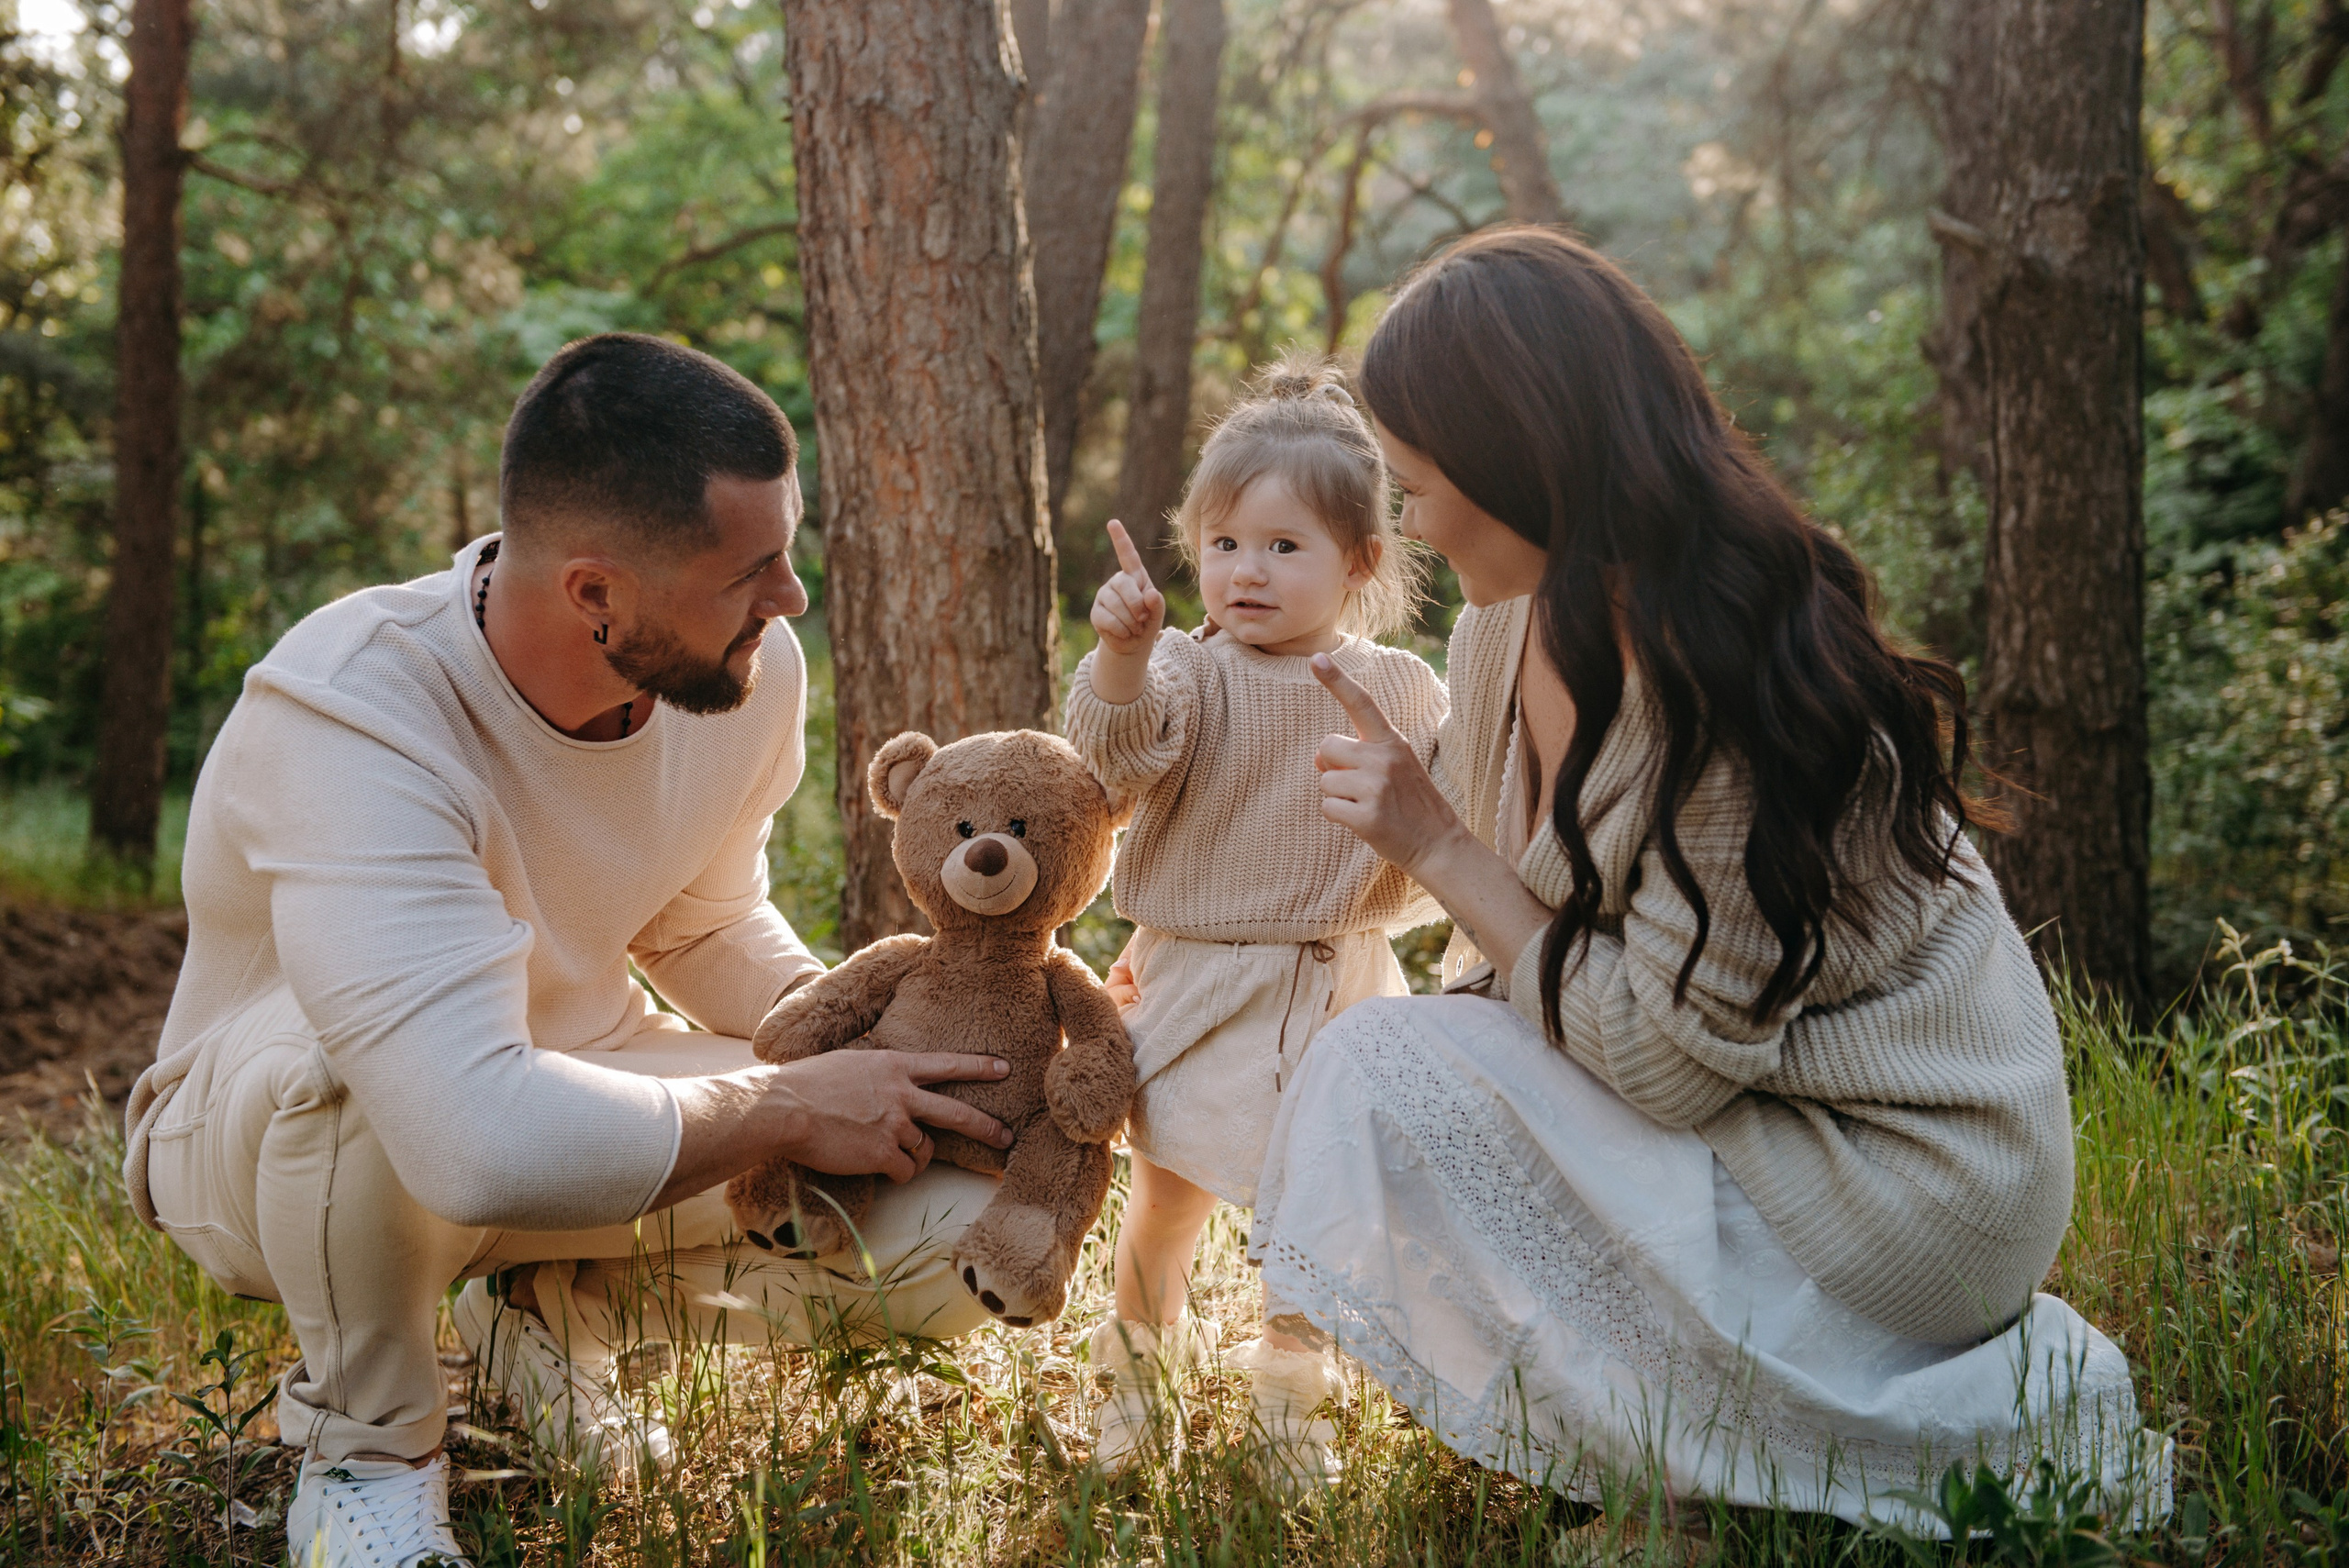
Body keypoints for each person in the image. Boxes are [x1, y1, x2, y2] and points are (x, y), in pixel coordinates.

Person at [1256, 230, 2165, 1529]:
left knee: (1377, 1062)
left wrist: (1441, 846)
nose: (1410, 524)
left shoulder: (1731, 690)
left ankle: (1701, 1484)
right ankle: (1671, 1444)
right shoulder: (1504, 626)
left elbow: (1667, 1063)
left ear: (1526, 466)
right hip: (1750, 1110)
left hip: (1906, 1195)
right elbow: (1528, 954)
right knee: (1395, 1058)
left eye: (1418, 487)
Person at [123, 334, 1018, 1568]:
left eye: (787, 551)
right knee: (358, 1075)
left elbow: (702, 921)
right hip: (283, 1140)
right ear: (596, 592)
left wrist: (884, 1041)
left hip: (574, 1087)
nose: (791, 599)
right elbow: (470, 1135)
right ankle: (368, 1461)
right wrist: (789, 1104)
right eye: (751, 571)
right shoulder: (352, 710)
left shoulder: (745, 671)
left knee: (963, 1212)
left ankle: (555, 1311)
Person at [1062, 358, 1447, 1493]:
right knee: (1164, 1199)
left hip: (1336, 983)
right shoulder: (1188, 672)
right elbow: (1111, 753)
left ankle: (1290, 1394)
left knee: (1316, 1215)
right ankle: (1134, 1380)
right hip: (1199, 978)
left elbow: (1455, 803)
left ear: (1359, 561)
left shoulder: (1399, 687)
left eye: (1284, 545)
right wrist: (1122, 654)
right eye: (1224, 542)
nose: (1246, 570)